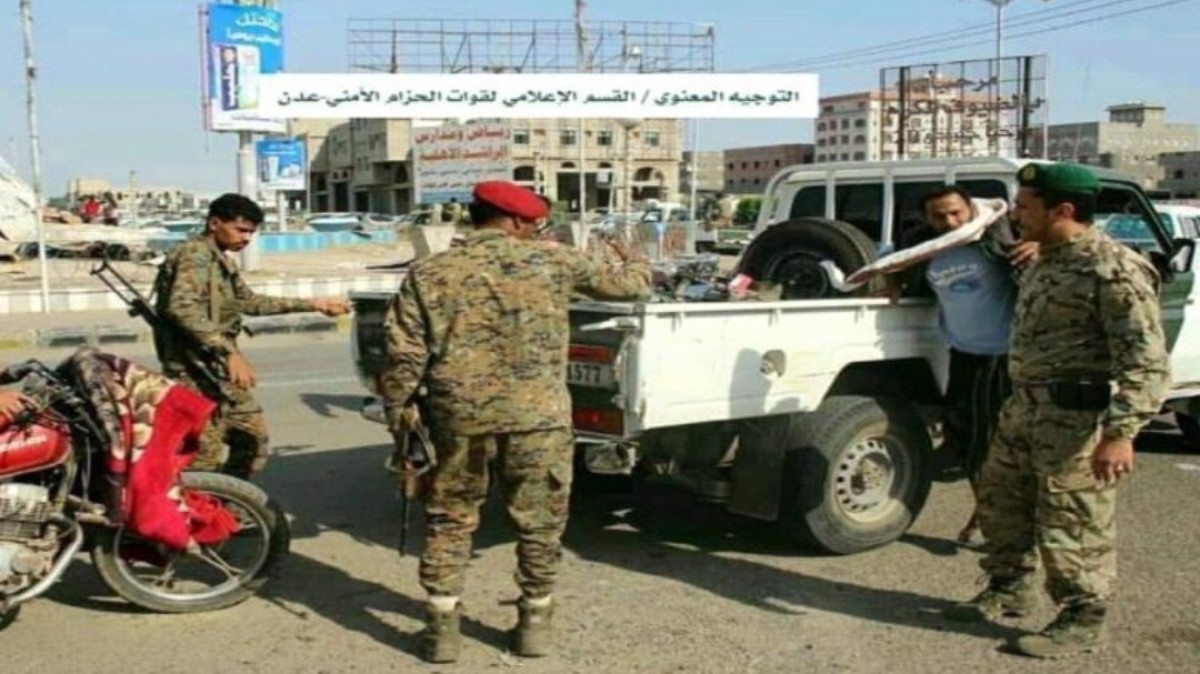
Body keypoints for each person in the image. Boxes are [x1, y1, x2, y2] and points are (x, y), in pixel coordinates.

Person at [379, 180, 651, 663]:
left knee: (450, 518)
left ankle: (442, 629)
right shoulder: (552, 262)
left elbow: (403, 356)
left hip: (458, 416)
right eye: (536, 224)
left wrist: (399, 420)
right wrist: (632, 256)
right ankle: (534, 624)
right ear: (519, 222)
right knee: (540, 522)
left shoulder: (430, 272)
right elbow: (632, 287)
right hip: (537, 417)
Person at [944, 164, 1169, 659]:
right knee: (1002, 502)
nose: (1015, 216)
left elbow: (1146, 360)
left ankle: (1083, 615)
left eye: (1024, 207)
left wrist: (1121, 432)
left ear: (1062, 210)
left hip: (1074, 420)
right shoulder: (1047, 258)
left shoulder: (1112, 269)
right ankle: (1009, 588)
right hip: (1024, 408)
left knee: (1072, 517)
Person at [152, 193, 350, 480]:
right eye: (240, 230)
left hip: (216, 374)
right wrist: (228, 351)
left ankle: (232, 508)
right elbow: (182, 307)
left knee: (252, 440)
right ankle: (193, 517)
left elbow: (250, 302)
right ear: (214, 223)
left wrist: (313, 304)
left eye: (251, 233)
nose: (246, 239)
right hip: (193, 374)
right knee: (202, 459)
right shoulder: (194, 255)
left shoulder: (219, 261)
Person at [890, 186, 1037, 544]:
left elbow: (1065, 253)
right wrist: (893, 277)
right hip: (963, 358)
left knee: (999, 446)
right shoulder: (925, 250)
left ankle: (1006, 525)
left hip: (1002, 359)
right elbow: (890, 268)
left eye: (956, 212)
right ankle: (987, 512)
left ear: (970, 209)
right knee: (968, 443)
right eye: (939, 216)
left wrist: (1042, 248)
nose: (950, 221)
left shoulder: (1001, 237)